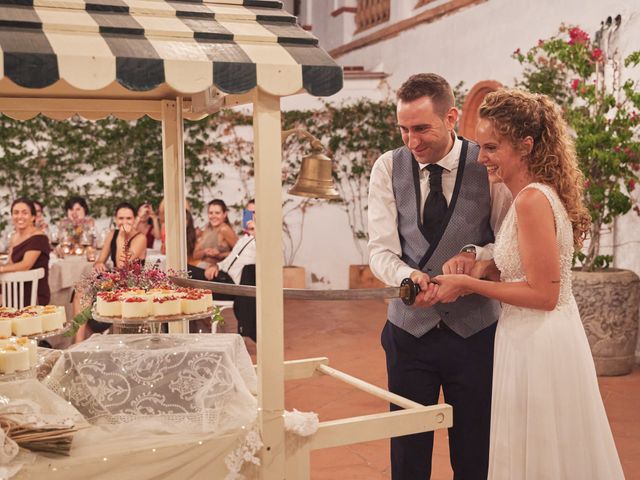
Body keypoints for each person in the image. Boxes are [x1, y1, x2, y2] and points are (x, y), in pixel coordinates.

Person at [433, 89, 624, 479]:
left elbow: (544, 294)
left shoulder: (531, 200)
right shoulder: (529, 194)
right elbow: (527, 271)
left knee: (542, 451)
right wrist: (484, 265)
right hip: (529, 335)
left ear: (526, 145)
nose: (481, 157)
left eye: (491, 147)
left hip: (538, 341)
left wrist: (469, 285)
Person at [367, 73, 511, 480]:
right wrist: (408, 276)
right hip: (408, 335)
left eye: (421, 128)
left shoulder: (486, 162)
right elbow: (380, 249)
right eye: (403, 129)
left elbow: (507, 242)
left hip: (476, 333)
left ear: (451, 117)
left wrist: (474, 255)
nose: (411, 141)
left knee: (474, 452)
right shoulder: (387, 168)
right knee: (408, 456)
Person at [0, 198, 52, 305]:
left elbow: (26, 265)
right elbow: (11, 263)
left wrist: (1, 268)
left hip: (33, 295)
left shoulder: (39, 237)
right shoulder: (14, 237)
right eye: (16, 213)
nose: (19, 216)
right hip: (14, 289)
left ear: (33, 217)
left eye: (25, 213)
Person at [93, 202, 147, 273]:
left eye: (129, 218)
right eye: (121, 218)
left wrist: (122, 235)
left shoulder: (140, 238)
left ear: (134, 219)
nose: (124, 222)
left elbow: (122, 267)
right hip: (114, 280)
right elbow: (100, 260)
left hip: (133, 282)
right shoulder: (112, 234)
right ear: (116, 219)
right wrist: (99, 264)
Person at [193, 199, 238, 267]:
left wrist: (220, 255)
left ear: (224, 214)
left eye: (217, 213)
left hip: (215, 270)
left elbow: (240, 253)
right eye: (210, 213)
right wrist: (205, 252)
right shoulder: (208, 228)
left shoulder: (224, 229)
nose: (213, 216)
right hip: (202, 267)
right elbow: (195, 255)